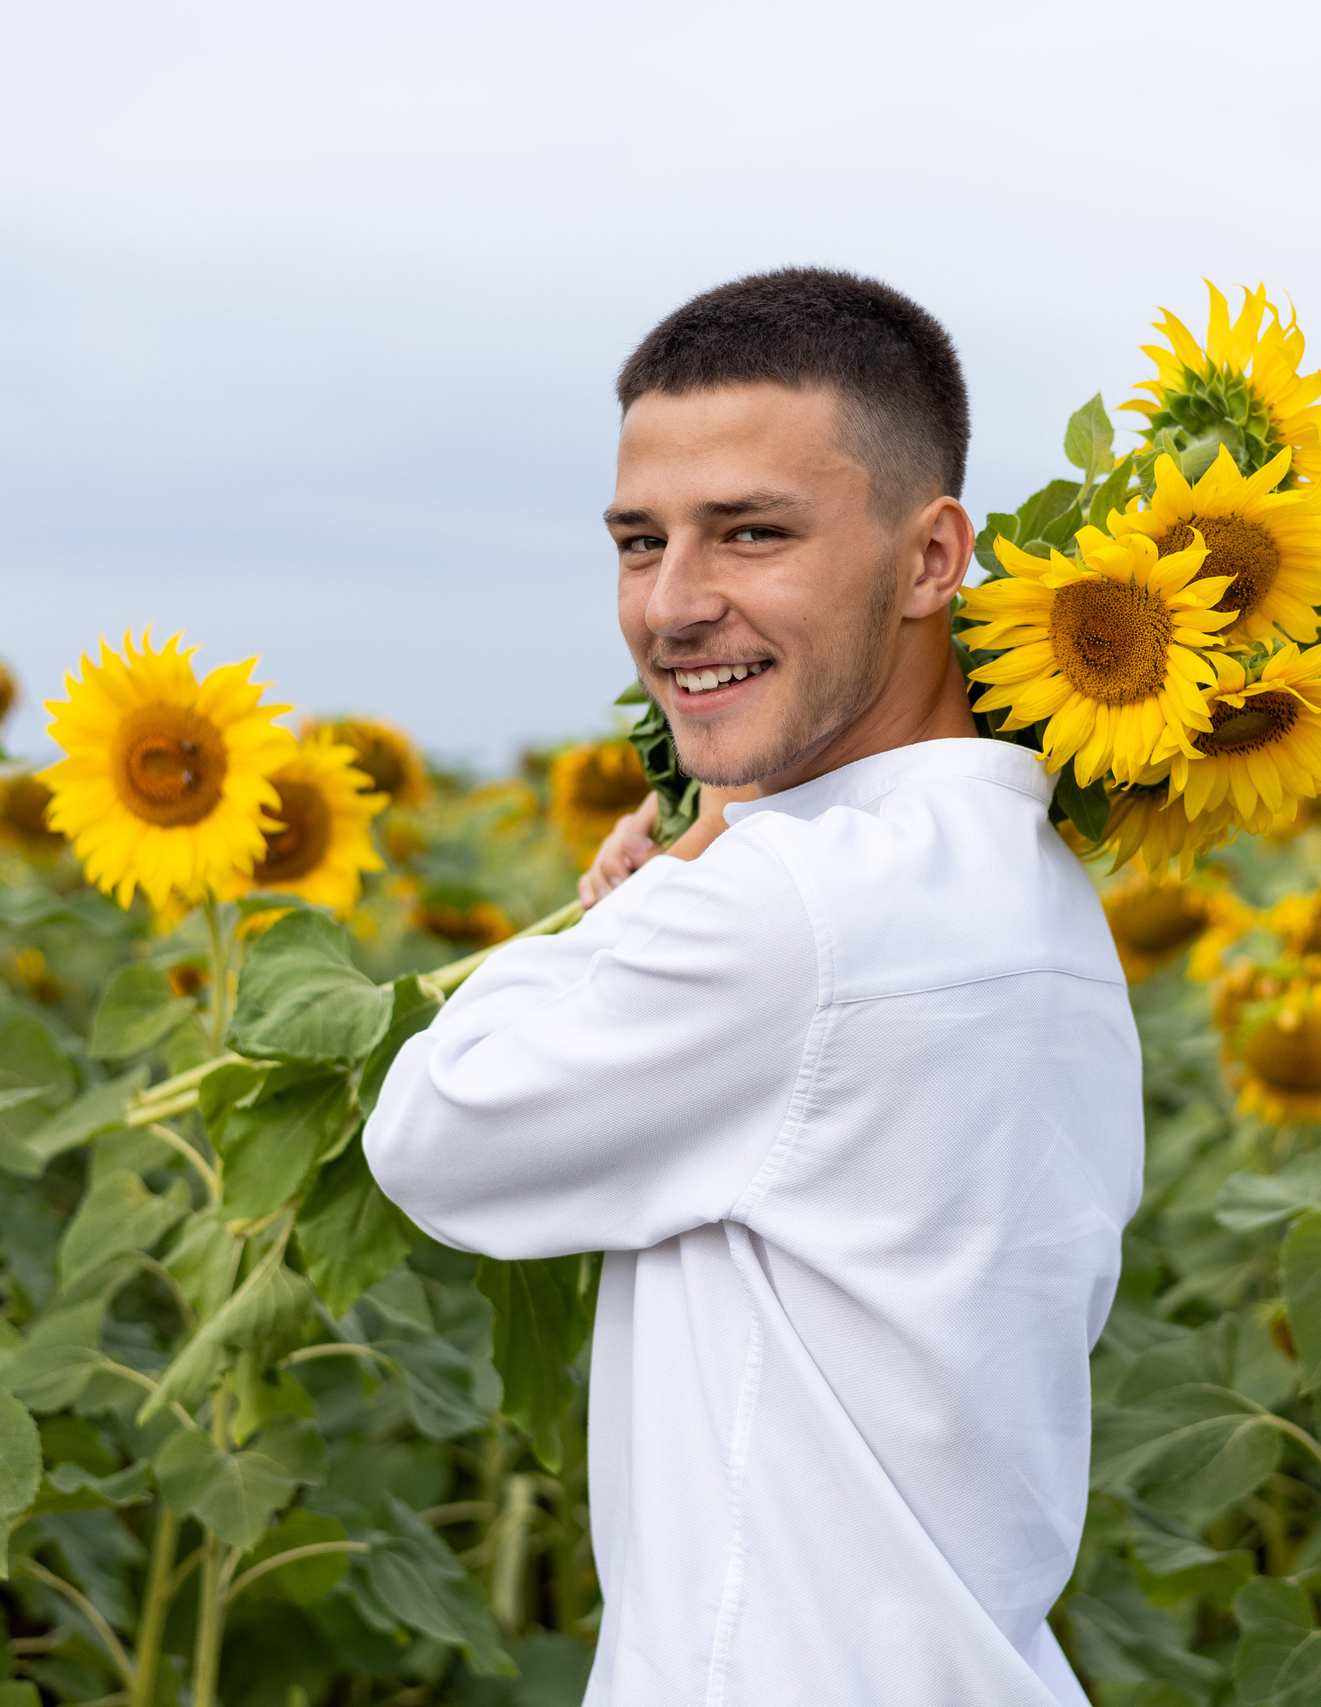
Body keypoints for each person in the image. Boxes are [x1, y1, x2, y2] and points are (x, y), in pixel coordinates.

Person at [365, 268, 1143, 1706]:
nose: (673, 605)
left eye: (753, 534)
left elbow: (432, 1131)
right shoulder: (1031, 886)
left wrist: (657, 885)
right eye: (638, 542)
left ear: (932, 561)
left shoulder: (792, 907)